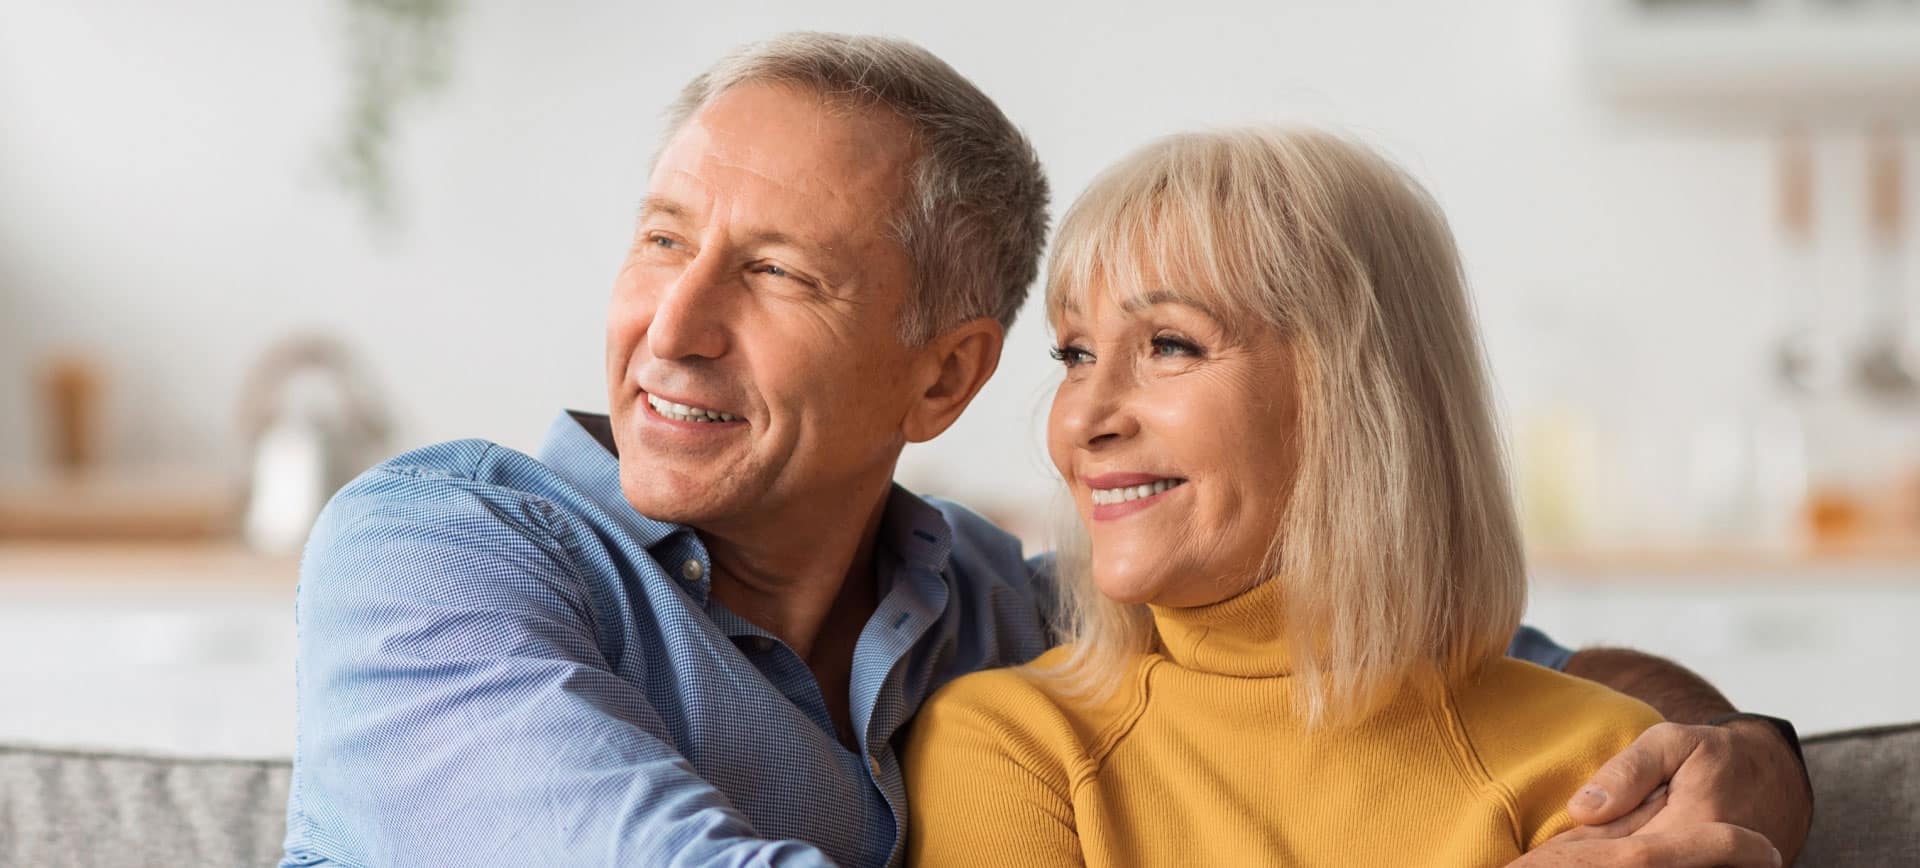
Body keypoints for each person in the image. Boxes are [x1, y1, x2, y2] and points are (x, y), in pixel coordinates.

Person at [281, 33, 1810, 868]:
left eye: (778, 273)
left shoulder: (1008, 617)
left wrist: (1743, 763)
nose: (670, 325)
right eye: (663, 240)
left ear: (943, 378)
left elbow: (1459, 676)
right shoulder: (437, 553)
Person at [902, 127, 1791, 866]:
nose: (1082, 418)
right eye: (1074, 354)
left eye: (1170, 344)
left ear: (1359, 395)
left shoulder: (1607, 758)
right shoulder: (1011, 745)